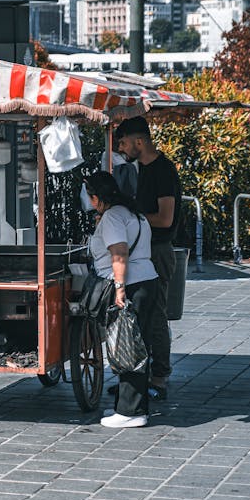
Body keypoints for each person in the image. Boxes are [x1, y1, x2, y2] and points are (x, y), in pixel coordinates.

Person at [115, 116, 182, 400]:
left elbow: (165, 219)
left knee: (155, 317)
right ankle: (138, 379)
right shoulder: (136, 170)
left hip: (157, 252)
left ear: (139, 141)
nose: (120, 148)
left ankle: (159, 378)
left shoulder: (163, 171)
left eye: (123, 142)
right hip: (142, 252)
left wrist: (135, 221)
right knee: (137, 317)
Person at [84, 171, 158, 428]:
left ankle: (131, 412)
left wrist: (119, 289)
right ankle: (132, 406)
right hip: (147, 281)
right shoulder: (132, 213)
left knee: (126, 345)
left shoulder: (114, 216)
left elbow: (119, 254)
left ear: (95, 198)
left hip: (131, 284)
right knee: (138, 345)